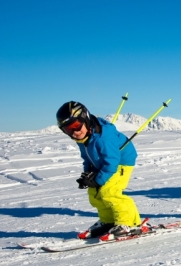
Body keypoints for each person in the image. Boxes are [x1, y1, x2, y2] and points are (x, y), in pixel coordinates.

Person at [56, 101, 143, 240]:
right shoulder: (83, 137)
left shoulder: (104, 138)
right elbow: (87, 158)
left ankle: (130, 223)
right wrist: (87, 175)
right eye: (68, 129)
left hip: (121, 162)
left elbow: (111, 163)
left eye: (76, 126)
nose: (74, 132)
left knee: (109, 192)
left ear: (85, 118)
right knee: (94, 193)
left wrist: (98, 179)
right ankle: (108, 221)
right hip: (104, 163)